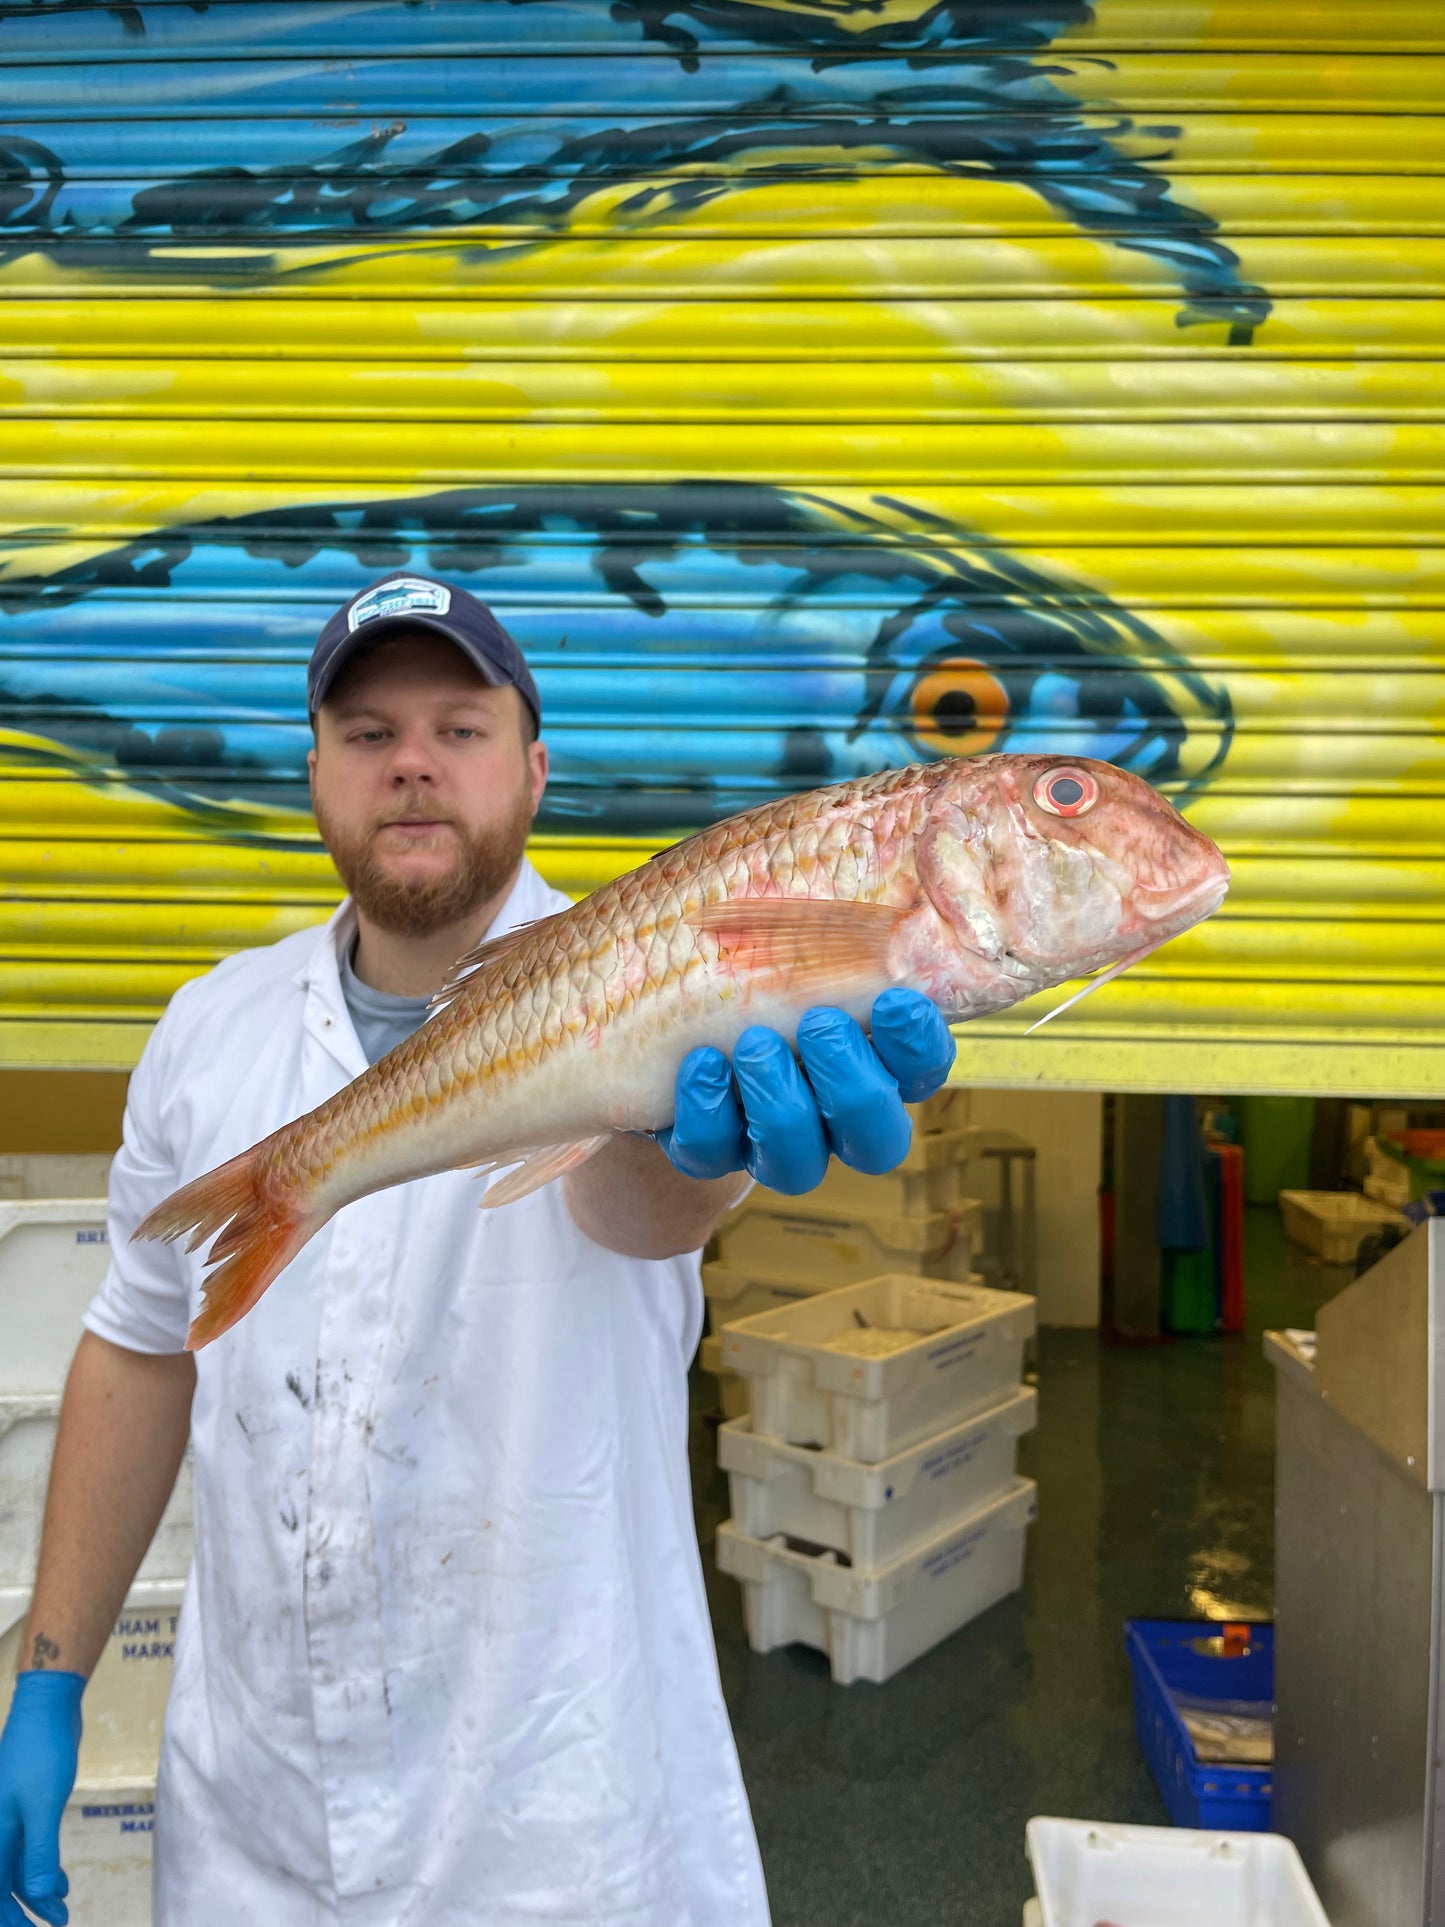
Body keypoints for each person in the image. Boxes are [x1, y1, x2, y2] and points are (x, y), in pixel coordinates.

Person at [0, 575, 955, 1927]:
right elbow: (145, 1347)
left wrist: (701, 1148)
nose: (412, 765)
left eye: (460, 727)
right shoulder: (207, 1030)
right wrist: (49, 1676)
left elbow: (635, 1214)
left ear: (536, 765)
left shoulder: (661, 973)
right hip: (251, 1825)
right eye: (368, 731)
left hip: (553, 1829)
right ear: (317, 770)